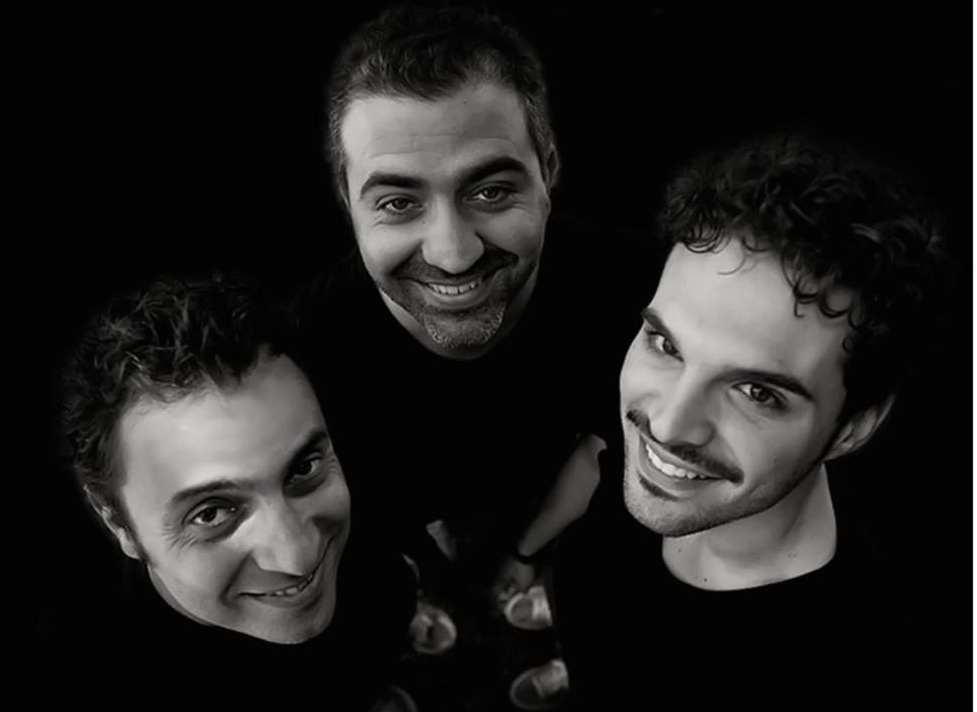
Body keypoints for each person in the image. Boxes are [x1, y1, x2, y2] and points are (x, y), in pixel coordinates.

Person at [544, 134, 952, 709]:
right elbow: (598, 456)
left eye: (756, 392)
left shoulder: (863, 669)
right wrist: (527, 559)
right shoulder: (650, 455)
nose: (668, 424)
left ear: (853, 427)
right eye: (666, 344)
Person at [298, 2, 657, 615]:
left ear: (548, 174)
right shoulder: (305, 352)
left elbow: (609, 449)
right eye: (398, 203)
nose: (454, 254)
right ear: (347, 201)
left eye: (490, 192)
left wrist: (525, 554)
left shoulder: (641, 296)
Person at [58, 274, 416, 710]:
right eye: (211, 513)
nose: (298, 557)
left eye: (302, 469)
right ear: (119, 524)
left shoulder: (375, 555)